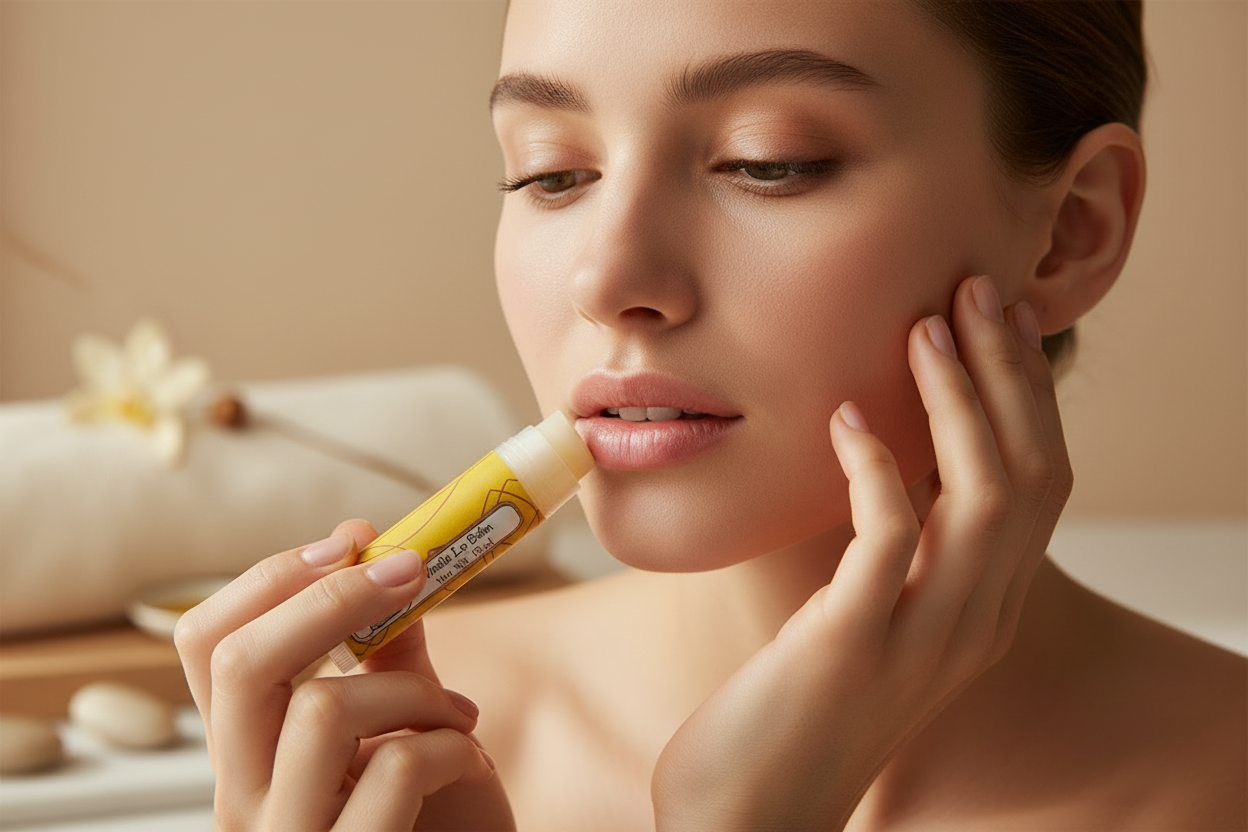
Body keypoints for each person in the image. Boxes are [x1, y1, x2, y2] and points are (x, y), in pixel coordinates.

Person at [175, 1, 1248, 829]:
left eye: (767, 162)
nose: (608, 279)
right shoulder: (373, 745)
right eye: (552, 174)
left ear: (1072, 232)